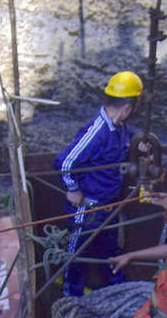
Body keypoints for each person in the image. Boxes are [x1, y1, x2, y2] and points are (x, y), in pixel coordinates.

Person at [54, 70, 143, 297]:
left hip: (107, 205)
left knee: (109, 248)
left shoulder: (119, 126)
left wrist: (139, 142)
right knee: (77, 253)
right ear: (127, 108)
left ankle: (116, 290)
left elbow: (128, 135)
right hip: (88, 206)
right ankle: (71, 298)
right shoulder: (97, 132)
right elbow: (65, 162)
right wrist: (73, 190)